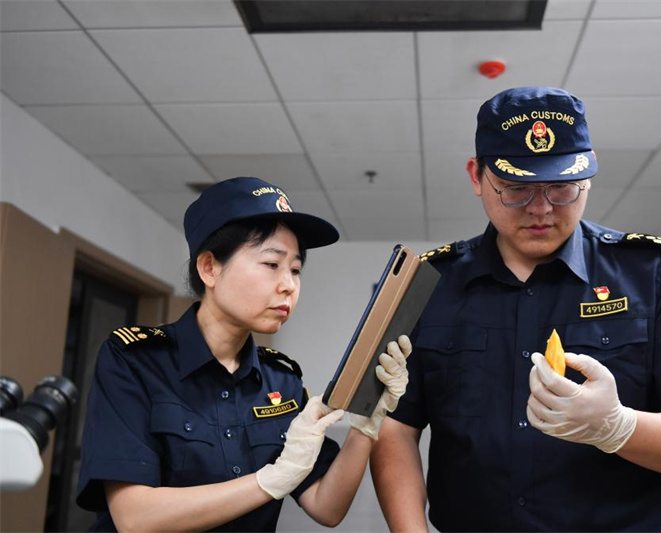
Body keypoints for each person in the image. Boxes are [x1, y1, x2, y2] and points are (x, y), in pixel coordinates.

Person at [370, 87, 661, 532]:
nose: (541, 209)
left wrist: (618, 427)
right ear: (477, 177)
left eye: (561, 188)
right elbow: (395, 426)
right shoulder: (429, 285)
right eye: (515, 189)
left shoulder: (652, 274)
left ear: (587, 177)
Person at [76, 176, 412, 532]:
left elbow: (326, 507)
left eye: (296, 270)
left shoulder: (281, 379)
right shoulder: (135, 361)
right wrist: (271, 480)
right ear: (209, 268)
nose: (289, 285)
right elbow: (135, 517)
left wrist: (365, 423)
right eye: (272, 264)